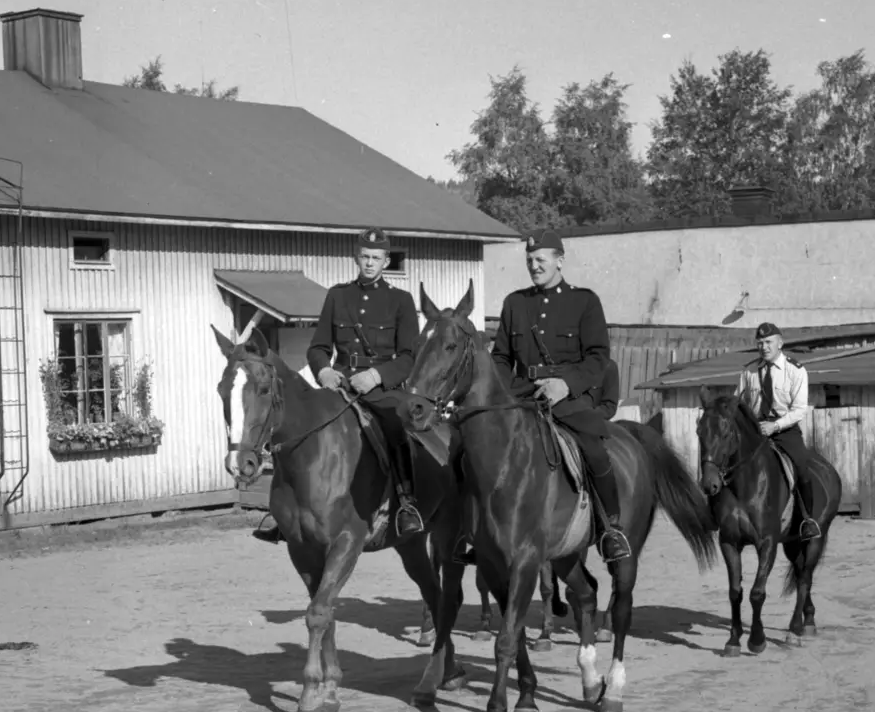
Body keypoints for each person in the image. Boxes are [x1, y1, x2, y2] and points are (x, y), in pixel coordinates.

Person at [464, 228, 629, 563]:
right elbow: (501, 358)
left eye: (540, 259)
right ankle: (471, 530)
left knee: (594, 450)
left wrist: (565, 384)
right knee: (471, 446)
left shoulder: (585, 302)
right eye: (529, 260)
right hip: (522, 396)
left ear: (559, 260)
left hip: (567, 398)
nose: (534, 265)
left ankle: (610, 528)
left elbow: (598, 358)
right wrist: (500, 391)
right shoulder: (515, 303)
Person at [252, 227, 424, 544]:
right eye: (365, 257)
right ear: (356, 257)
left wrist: (375, 376)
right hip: (339, 386)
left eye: (376, 258)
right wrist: (324, 373)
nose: (370, 263)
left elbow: (409, 357)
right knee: (297, 424)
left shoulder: (401, 300)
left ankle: (407, 505)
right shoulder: (338, 295)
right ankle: (284, 510)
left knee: (396, 425)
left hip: (381, 391)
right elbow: (318, 348)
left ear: (386, 261)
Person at [735, 322, 821, 539]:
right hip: (754, 430)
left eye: (768, 342)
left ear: (780, 343)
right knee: (724, 459)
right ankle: (716, 512)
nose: (764, 347)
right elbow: (739, 402)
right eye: (760, 343)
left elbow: (799, 409)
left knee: (802, 468)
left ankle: (807, 520)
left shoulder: (795, 370)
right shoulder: (749, 371)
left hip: (785, 429)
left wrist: (775, 425)